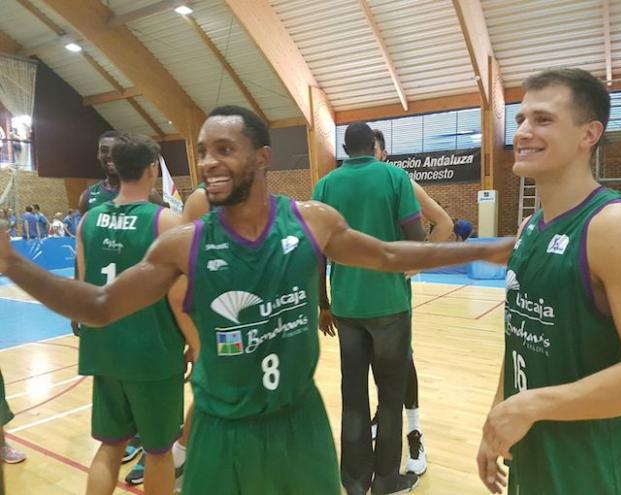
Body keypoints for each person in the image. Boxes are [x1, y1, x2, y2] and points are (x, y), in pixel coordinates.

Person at [0, 105, 513, 495]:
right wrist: (13, 263)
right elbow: (99, 306)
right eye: (203, 150)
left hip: (301, 421)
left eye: (224, 149)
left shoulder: (312, 220)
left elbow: (387, 254)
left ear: (263, 157)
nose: (208, 162)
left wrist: (486, 247)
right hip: (222, 434)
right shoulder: (184, 243)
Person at [476, 68, 621, 495]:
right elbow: (521, 340)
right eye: (521, 119)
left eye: (543, 120)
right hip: (534, 459)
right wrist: (497, 418)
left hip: (596, 473)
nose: (522, 132)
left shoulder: (618, 226)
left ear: (589, 134)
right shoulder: (529, 230)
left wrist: (533, 405)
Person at [313, 122, 429, 494]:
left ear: (346, 148)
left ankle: (354, 479)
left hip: (346, 307)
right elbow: (417, 238)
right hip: (390, 306)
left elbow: (317, 254)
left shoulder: (325, 186)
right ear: (375, 146)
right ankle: (388, 480)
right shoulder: (395, 178)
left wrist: (323, 303)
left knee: (353, 396)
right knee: (391, 397)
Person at [77, 133, 193, 495]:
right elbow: (178, 297)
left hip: (105, 350)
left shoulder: (87, 220)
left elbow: (84, 287)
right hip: (151, 353)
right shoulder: (165, 223)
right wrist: (196, 343)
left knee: (110, 446)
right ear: (151, 170)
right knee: (158, 452)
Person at [364, 129, 452, 477]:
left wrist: (419, 260)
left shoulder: (401, 184)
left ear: (383, 153)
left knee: (402, 361)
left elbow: (443, 223)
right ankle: (379, 415)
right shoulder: (344, 187)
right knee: (372, 360)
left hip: (392, 297)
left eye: (373, 150)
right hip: (357, 299)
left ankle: (414, 431)